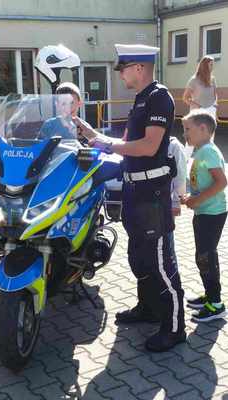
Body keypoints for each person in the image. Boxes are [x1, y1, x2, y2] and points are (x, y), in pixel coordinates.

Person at [75, 44, 186, 352]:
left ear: (138, 67)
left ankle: (175, 327)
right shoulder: (141, 100)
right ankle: (149, 309)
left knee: (161, 264)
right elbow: (126, 143)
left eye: (122, 68)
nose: (120, 74)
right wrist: (91, 134)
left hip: (152, 195)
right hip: (134, 193)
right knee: (139, 258)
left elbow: (149, 147)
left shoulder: (158, 97)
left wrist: (106, 144)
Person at [181, 110, 227, 322]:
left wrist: (197, 201)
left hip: (211, 212)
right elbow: (204, 181)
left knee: (206, 257)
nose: (184, 134)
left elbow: (221, 182)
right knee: (203, 256)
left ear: (203, 129)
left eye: (187, 129)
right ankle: (210, 295)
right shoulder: (200, 150)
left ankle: (216, 304)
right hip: (204, 211)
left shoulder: (207, 151)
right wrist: (191, 196)